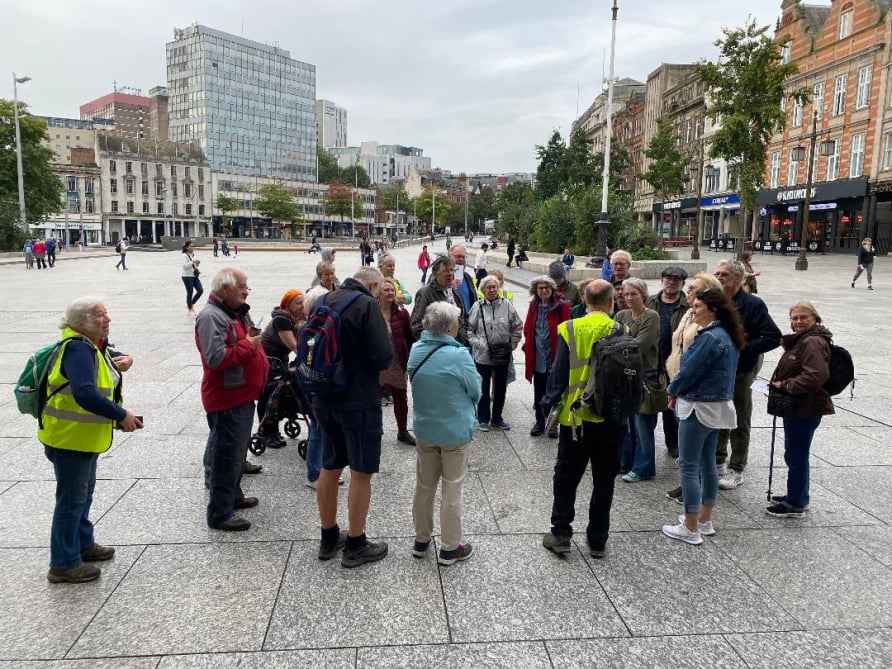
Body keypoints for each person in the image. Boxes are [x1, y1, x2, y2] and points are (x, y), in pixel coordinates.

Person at [39, 298, 141, 583]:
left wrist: (126, 359)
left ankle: (83, 544)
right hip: (69, 438)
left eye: (106, 313)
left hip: (83, 438)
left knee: (82, 495)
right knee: (71, 500)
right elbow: (85, 393)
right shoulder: (77, 349)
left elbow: (110, 357)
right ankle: (63, 563)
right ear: (80, 321)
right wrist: (121, 415)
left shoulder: (93, 344)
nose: (106, 319)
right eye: (99, 316)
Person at [313, 268, 393, 568]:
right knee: (361, 470)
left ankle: (328, 535)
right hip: (357, 399)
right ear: (372, 285)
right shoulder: (366, 305)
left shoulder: (325, 299)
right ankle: (356, 543)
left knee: (330, 464)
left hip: (323, 396)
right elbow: (383, 356)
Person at [540, 280, 626, 559]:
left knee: (566, 477)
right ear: (612, 302)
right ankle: (598, 540)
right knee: (604, 480)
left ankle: (561, 534)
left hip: (575, 419)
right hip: (611, 418)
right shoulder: (620, 328)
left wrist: (546, 405)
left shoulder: (570, 329)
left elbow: (558, 373)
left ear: (584, 301)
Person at [662, 288, 745, 545]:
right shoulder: (725, 334)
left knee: (689, 466)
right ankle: (704, 520)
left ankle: (689, 526)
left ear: (712, 309)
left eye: (697, 306)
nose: (693, 310)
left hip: (698, 406)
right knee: (708, 464)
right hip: (717, 407)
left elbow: (688, 372)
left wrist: (672, 390)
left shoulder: (709, 338)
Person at [195, 268, 269, 532]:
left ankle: (233, 496)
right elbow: (215, 358)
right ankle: (220, 513)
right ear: (225, 289)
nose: (246, 290)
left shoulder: (231, 312)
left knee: (236, 452)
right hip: (227, 397)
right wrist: (250, 344)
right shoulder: (211, 317)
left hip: (241, 395)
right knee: (226, 456)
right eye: (242, 286)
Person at [408, 302, 481, 565]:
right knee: (453, 487)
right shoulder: (459, 355)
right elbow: (476, 390)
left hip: (425, 429)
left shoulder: (415, 350)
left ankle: (421, 539)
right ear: (450, 326)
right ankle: (451, 547)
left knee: (424, 485)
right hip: (454, 432)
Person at [713, 260, 782, 490]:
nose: (719, 277)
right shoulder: (715, 301)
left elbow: (773, 336)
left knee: (739, 418)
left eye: (724, 274)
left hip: (741, 371)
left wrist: (742, 347)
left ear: (738, 279)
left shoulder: (753, 304)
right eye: (717, 273)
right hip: (717, 369)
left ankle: (736, 467)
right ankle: (718, 460)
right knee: (719, 414)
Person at [766, 302, 834, 517]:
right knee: (794, 453)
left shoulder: (812, 341)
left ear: (815, 319)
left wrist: (785, 385)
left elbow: (815, 375)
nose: (798, 322)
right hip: (799, 406)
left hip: (805, 407)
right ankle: (796, 494)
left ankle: (796, 502)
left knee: (797, 454)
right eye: (794, 318)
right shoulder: (803, 340)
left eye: (803, 317)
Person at [664, 272, 724, 503]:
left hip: (693, 389)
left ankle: (694, 504)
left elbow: (698, 360)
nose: (689, 292)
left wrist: (677, 388)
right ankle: (689, 487)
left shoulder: (708, 324)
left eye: (695, 289)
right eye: (690, 289)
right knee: (693, 450)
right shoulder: (689, 313)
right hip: (679, 380)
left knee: (696, 453)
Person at [614, 278, 664, 483]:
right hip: (625, 376)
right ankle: (626, 462)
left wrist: (618, 346)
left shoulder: (651, 316)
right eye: (625, 294)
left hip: (645, 377)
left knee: (643, 424)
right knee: (626, 423)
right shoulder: (621, 315)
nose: (629, 298)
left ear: (643, 295)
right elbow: (612, 339)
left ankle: (644, 468)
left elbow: (639, 345)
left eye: (633, 294)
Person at [468, 275, 522, 431]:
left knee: (500, 389)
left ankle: (497, 418)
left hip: (502, 355)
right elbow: (469, 330)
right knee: (483, 388)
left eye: (494, 287)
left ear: (498, 288)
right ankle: (483, 419)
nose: (491, 290)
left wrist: (511, 345)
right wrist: (480, 345)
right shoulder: (477, 307)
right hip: (482, 356)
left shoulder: (507, 306)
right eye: (488, 287)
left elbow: (517, 326)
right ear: (483, 290)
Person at [646, 266, 689, 460]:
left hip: (675, 362)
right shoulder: (651, 301)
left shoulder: (688, 305)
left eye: (676, 279)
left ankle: (673, 445)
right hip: (652, 360)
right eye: (668, 278)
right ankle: (646, 445)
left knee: (672, 409)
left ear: (682, 283)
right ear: (662, 280)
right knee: (650, 405)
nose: (671, 282)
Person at [256, 289, 305, 449]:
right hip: (267, 360)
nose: (301, 306)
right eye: (298, 303)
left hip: (279, 360)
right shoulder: (281, 320)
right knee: (269, 393)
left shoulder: (294, 318)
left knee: (281, 391)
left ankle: (276, 424)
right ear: (287, 305)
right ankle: (267, 431)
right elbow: (294, 346)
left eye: (303, 302)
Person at [522, 276, 570, 437]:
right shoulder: (534, 305)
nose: (544, 291)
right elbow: (528, 328)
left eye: (547, 288)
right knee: (539, 391)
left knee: (555, 391)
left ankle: (553, 424)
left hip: (555, 356)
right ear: (536, 290)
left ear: (552, 289)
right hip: (538, 356)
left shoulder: (561, 306)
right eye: (540, 288)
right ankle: (540, 422)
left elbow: (566, 331)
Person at [378, 277, 416, 445]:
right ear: (378, 292)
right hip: (378, 365)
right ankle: (374, 430)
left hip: (397, 362)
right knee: (373, 400)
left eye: (392, 290)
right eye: (386, 290)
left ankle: (402, 431)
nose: (390, 292)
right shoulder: (371, 312)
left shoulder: (402, 313)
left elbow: (410, 337)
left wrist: (408, 360)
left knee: (401, 398)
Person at [411, 255, 469, 346]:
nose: (449, 274)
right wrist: (437, 345)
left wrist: (464, 336)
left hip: (458, 345)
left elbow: (461, 318)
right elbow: (416, 326)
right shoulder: (425, 293)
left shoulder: (452, 290)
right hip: (440, 348)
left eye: (451, 270)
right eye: (445, 271)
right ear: (435, 274)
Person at [449, 244, 477, 314]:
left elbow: (474, 299)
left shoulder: (467, 277)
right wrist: (449, 287)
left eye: (463, 257)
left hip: (469, 321)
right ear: (449, 258)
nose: (461, 259)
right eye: (458, 256)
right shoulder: (441, 278)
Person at [181, 241, 204, 313]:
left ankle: (192, 303)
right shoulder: (184, 256)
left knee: (200, 290)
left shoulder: (192, 255)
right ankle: (189, 308)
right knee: (190, 292)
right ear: (187, 247)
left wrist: (197, 265)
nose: (192, 247)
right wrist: (193, 262)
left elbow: (193, 266)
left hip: (194, 276)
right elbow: (185, 267)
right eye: (191, 246)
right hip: (187, 276)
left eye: (193, 246)